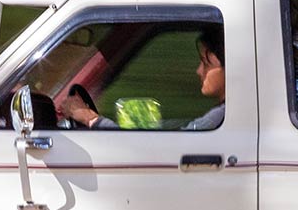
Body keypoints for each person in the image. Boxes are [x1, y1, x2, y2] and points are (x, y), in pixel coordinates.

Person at [59, 26, 225, 131]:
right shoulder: (221, 115)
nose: (198, 71)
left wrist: (91, 119)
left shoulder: (219, 117)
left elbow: (166, 150)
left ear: (230, 67)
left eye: (206, 63)